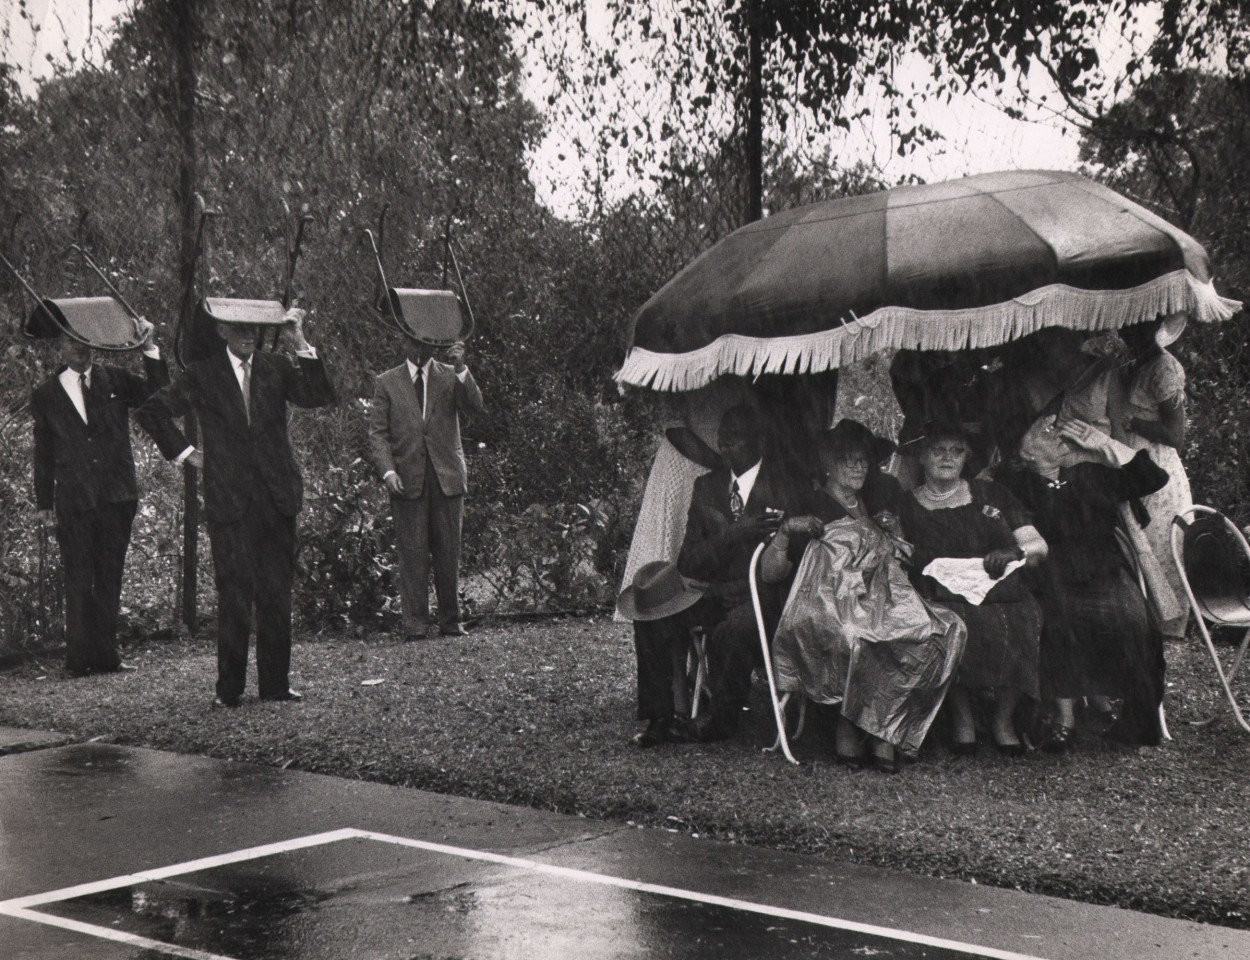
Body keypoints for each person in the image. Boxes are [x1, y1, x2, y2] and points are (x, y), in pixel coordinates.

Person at [137, 308, 334, 707]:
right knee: (235, 596)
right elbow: (151, 411)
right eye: (241, 328)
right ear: (223, 329)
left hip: (277, 499)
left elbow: (320, 395)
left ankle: (275, 686)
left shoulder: (276, 366)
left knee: (277, 595)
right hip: (230, 501)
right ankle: (229, 691)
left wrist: (298, 338)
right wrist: (187, 453)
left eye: (255, 329)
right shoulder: (202, 374)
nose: (249, 336)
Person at [762, 419, 965, 773]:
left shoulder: (875, 499)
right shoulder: (809, 502)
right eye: (848, 460)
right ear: (827, 462)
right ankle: (850, 723)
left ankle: (884, 728)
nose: (858, 467)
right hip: (823, 604)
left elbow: (899, 561)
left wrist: (894, 533)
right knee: (858, 635)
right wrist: (784, 533)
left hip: (880, 599)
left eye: (863, 460)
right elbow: (769, 573)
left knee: (940, 630)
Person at [999, 413, 1169, 748]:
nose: (1056, 434)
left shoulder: (1089, 474)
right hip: (1050, 572)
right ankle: (1065, 716)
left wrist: (1106, 445)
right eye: (1043, 431)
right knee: (1059, 618)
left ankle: (1137, 718)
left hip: (1105, 571)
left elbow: (1154, 477)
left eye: (1055, 428)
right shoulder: (1014, 486)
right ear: (1025, 451)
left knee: (1136, 623)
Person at [897, 421, 1047, 755]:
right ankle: (962, 717)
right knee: (954, 625)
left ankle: (1002, 719)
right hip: (937, 592)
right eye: (938, 450)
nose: (948, 457)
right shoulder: (907, 506)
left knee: (1025, 620)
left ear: (967, 457)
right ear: (921, 457)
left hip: (999, 589)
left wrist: (1015, 552)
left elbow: (1038, 545)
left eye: (957, 450)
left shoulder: (992, 495)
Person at [31, 316, 167, 676]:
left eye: (86, 339)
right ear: (58, 346)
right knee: (77, 577)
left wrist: (149, 349)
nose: (80, 347)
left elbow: (160, 396)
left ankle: (107, 656)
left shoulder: (116, 380)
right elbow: (42, 452)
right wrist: (44, 503)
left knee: (109, 575)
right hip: (74, 501)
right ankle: (77, 661)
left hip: (116, 496)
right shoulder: (45, 394)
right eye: (71, 340)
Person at [672, 403, 805, 742]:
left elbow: (794, 558)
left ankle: (722, 719)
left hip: (763, 597)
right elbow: (689, 561)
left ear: (759, 441)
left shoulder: (785, 487)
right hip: (712, 594)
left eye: (734, 440)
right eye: (721, 439)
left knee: (736, 628)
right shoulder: (706, 487)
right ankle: (663, 714)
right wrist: (733, 534)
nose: (724, 447)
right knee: (655, 614)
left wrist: (751, 590)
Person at [367, 333, 483, 640]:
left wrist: (461, 368)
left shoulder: (449, 374)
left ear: (434, 345)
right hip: (407, 479)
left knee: (449, 551)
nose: (420, 350)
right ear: (402, 343)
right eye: (414, 343)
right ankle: (416, 625)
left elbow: (474, 405)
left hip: (447, 475)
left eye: (426, 344)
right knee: (412, 552)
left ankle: (451, 622)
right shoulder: (386, 382)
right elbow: (377, 434)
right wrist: (388, 472)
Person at [1118, 315, 1193, 639]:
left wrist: (1132, 423)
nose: (1129, 332)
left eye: (1138, 326)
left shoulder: (1164, 367)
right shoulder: (1133, 363)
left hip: (1157, 469)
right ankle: (1138, 630)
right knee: (1134, 547)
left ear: (1153, 327)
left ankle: (1164, 633)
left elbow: (1176, 434)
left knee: (1159, 546)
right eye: (1127, 325)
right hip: (1132, 464)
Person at [617, 560, 709, 747]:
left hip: (737, 593)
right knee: (652, 610)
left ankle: (692, 708)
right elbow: (689, 552)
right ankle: (661, 715)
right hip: (696, 586)